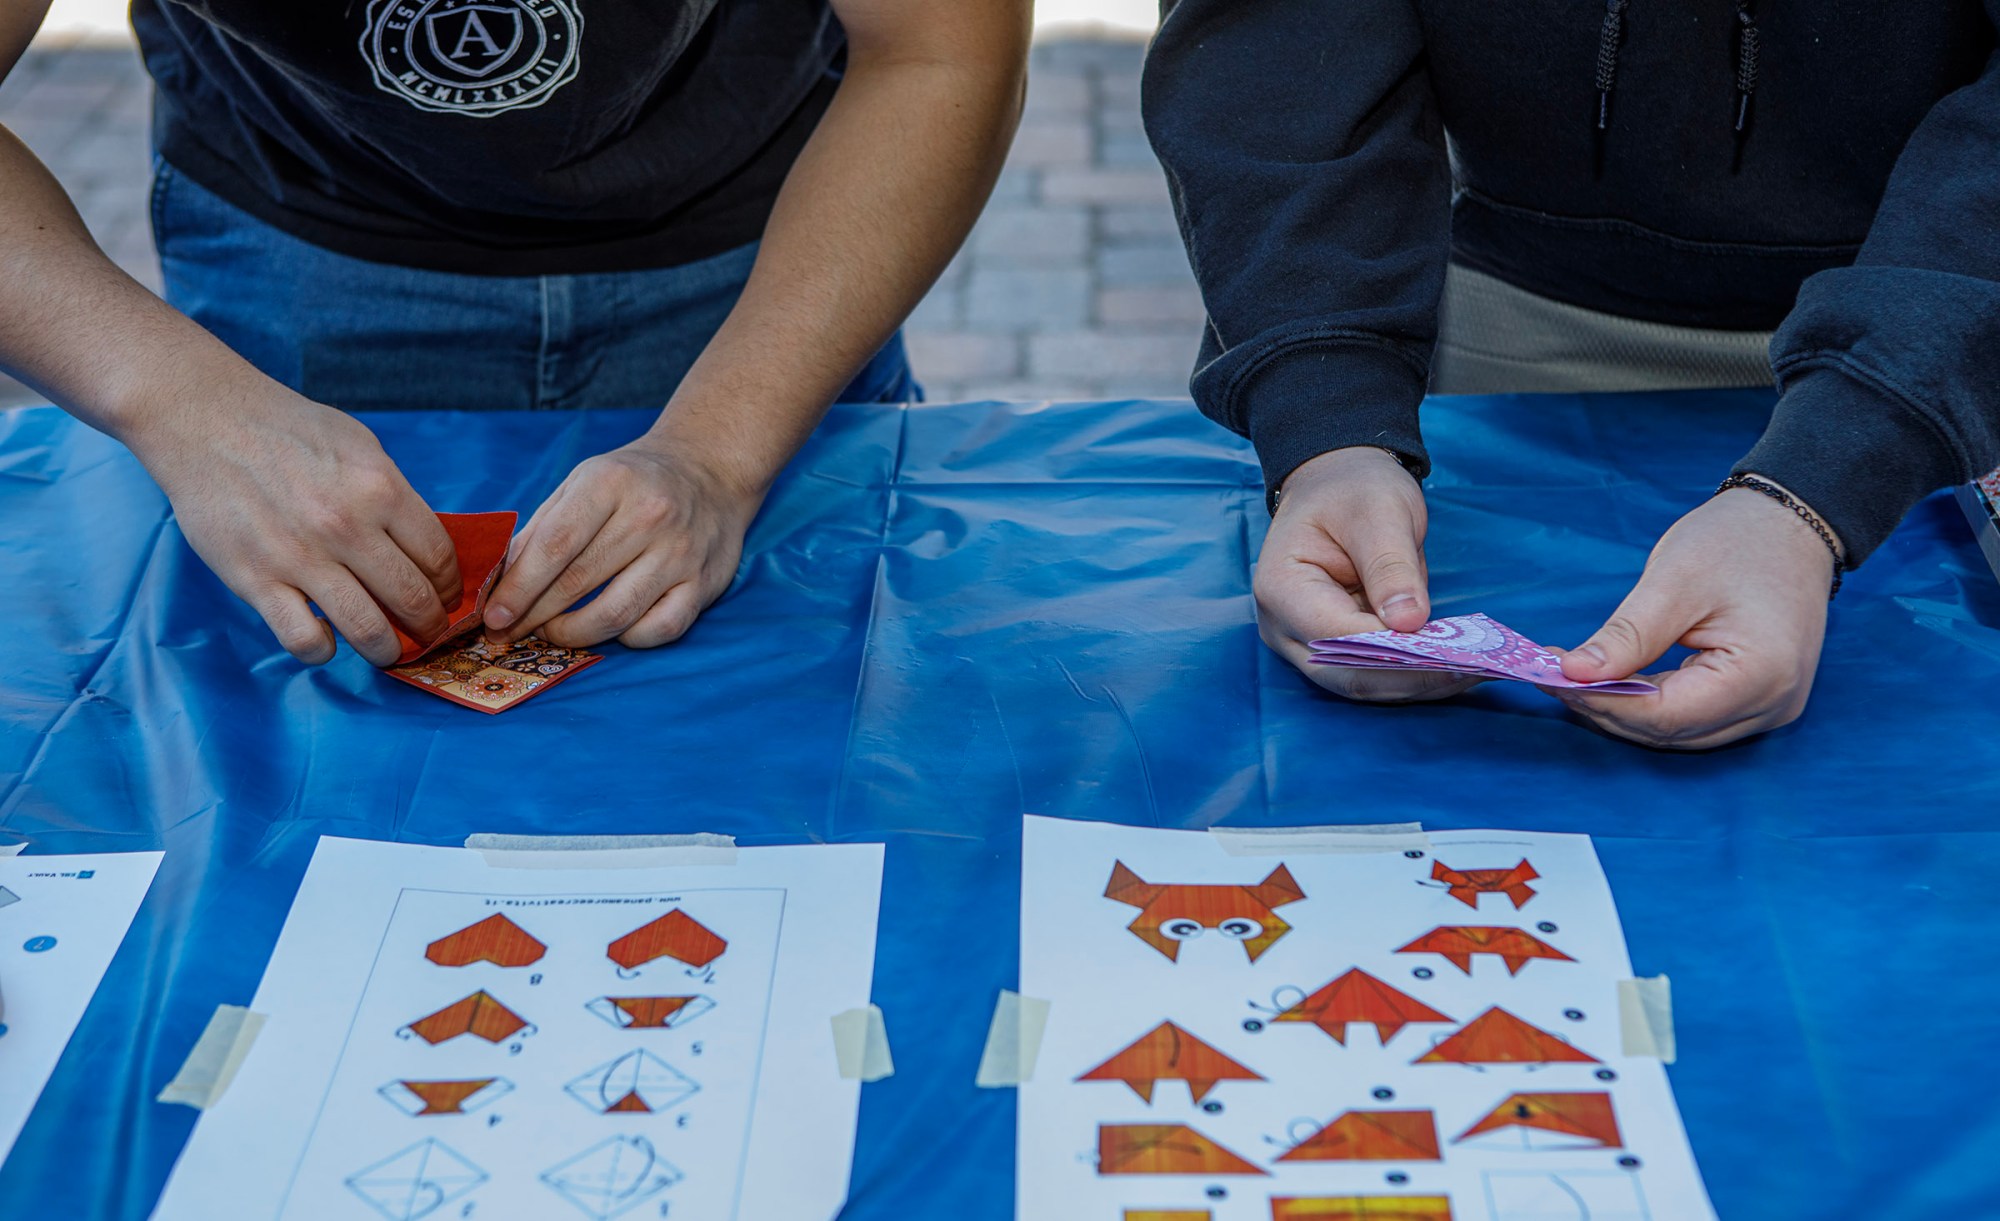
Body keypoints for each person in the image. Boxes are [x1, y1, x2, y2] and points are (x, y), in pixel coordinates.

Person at [0, 0, 1027, 665]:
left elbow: (936, 51)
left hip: (771, 250)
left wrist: (718, 455)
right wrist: (181, 402)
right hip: (298, 246)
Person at [1143, 0, 2000, 748]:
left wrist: (1840, 463)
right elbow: (1279, 40)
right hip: (1515, 326)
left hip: (1960, 352)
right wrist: (1328, 421)